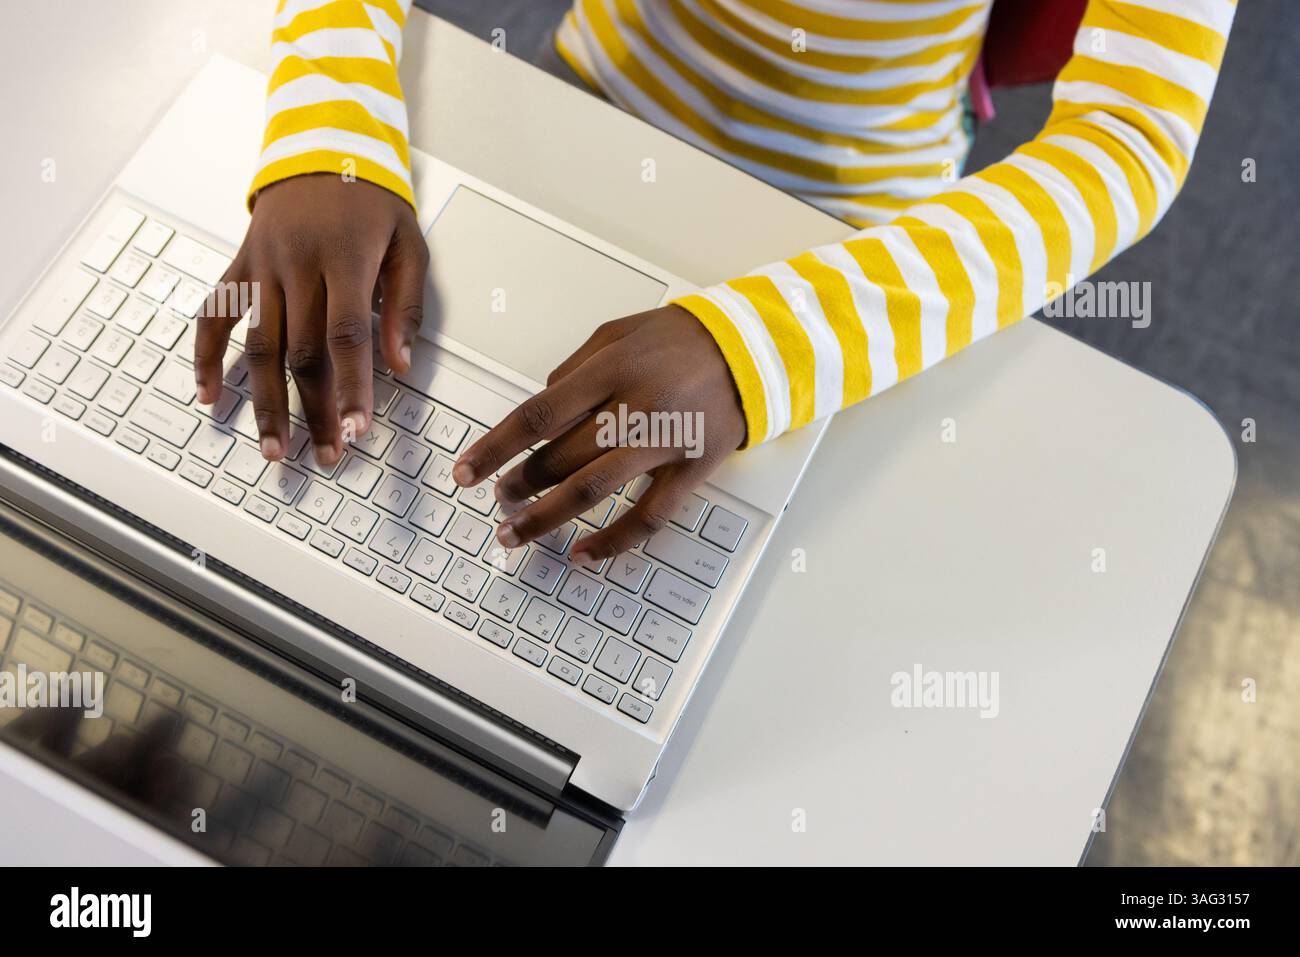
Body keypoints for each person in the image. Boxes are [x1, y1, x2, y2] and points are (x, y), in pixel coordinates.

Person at [195, 0, 1235, 565]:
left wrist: (762, 348)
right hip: (591, 98)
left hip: (868, 229)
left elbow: (1130, 138)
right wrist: (327, 118)